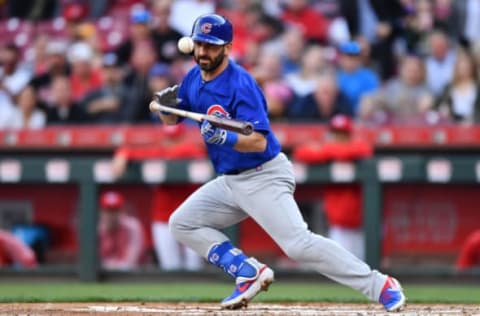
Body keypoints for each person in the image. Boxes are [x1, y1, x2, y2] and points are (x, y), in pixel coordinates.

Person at [153, 13, 406, 311]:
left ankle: (381, 286)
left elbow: (258, 140)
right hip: (231, 180)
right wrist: (165, 108)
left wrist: (226, 138)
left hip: (263, 174)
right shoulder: (193, 77)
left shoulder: (241, 83)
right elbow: (172, 119)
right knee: (182, 223)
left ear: (228, 47)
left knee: (299, 244)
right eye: (200, 45)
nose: (203, 52)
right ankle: (248, 272)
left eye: (211, 46)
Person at [292, 114, 373, 260]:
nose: (338, 138)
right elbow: (300, 153)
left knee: (366, 269)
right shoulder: (327, 150)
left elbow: (364, 149)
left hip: (363, 225)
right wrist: (333, 151)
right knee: (341, 267)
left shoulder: (357, 148)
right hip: (339, 224)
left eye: (342, 134)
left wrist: (328, 151)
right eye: (335, 134)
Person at [98, 190, 146, 270]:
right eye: (108, 210)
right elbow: (92, 261)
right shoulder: (96, 230)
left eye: (115, 210)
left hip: (130, 276)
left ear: (122, 211)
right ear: (101, 212)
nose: (111, 215)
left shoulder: (132, 226)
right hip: (102, 276)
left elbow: (132, 261)